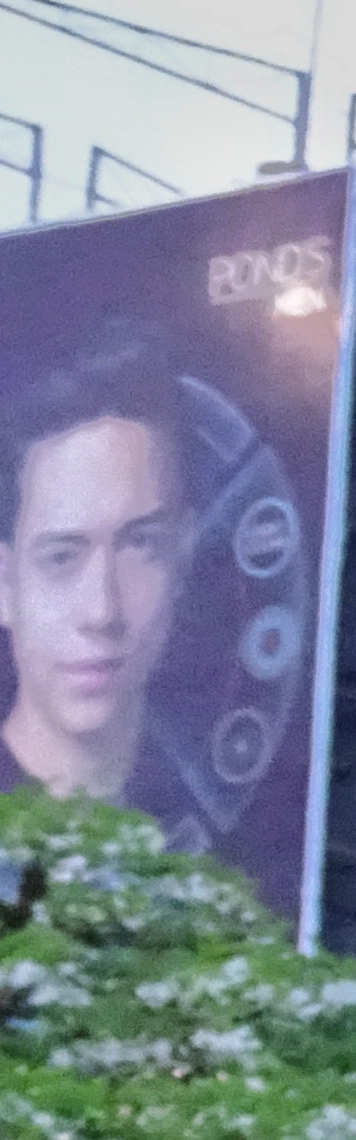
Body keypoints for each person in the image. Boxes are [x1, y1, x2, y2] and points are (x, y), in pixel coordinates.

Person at [0, 326, 198, 813]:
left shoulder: (234, 849)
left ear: (184, 555)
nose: (103, 610)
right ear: (4, 584)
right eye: (62, 557)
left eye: (140, 545)